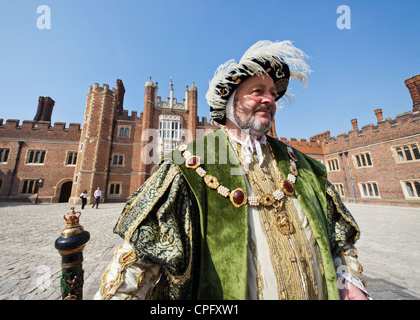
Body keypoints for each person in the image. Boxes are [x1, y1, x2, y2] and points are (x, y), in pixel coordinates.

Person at [94, 40, 370, 300]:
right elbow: (141, 258)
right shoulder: (187, 166)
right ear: (230, 103)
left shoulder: (305, 167)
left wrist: (350, 282)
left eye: (273, 94)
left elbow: (339, 238)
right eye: (257, 91)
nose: (270, 100)